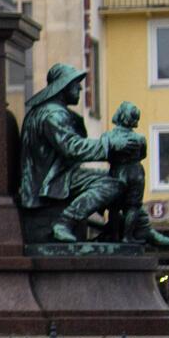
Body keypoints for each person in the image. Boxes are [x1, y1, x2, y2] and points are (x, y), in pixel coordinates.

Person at [19, 64, 132, 243]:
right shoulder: (52, 114)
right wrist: (110, 145)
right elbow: (72, 148)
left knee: (121, 178)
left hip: (55, 177)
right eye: (75, 83)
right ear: (63, 86)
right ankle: (64, 222)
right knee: (113, 185)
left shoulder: (47, 112)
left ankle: (114, 230)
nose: (80, 87)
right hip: (49, 182)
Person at [102, 103, 169, 248]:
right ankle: (127, 237)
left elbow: (104, 154)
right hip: (136, 172)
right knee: (133, 206)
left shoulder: (109, 136)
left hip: (117, 172)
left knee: (114, 206)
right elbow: (143, 154)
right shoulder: (140, 138)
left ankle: (114, 236)